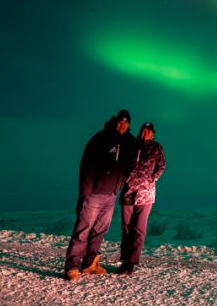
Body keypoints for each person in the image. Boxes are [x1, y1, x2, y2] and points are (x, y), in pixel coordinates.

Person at [64, 109, 134, 282]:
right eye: (120, 121)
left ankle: (90, 263)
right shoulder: (101, 138)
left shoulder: (129, 142)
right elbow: (87, 164)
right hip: (93, 194)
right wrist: (86, 191)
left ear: (129, 125)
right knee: (83, 229)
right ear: (115, 121)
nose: (122, 125)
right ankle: (72, 265)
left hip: (111, 195)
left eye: (126, 122)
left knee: (100, 231)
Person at [118, 120, 165, 275]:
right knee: (126, 227)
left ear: (153, 133)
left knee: (139, 229)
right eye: (143, 130)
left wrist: (152, 178)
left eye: (148, 131)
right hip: (128, 192)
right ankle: (125, 259)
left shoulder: (156, 148)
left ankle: (130, 262)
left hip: (146, 195)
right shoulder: (132, 145)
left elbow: (162, 165)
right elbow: (122, 163)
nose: (145, 132)